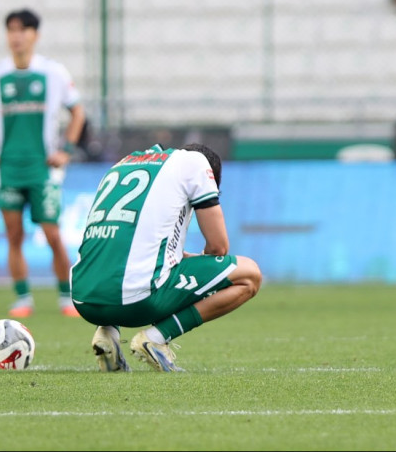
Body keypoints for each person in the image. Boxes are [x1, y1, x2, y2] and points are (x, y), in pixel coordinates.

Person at [71, 143, 263, 372]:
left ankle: (107, 333)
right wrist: (197, 263)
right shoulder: (195, 163)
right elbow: (218, 247)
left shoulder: (122, 163)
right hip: (136, 302)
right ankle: (156, 338)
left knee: (118, 252)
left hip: (83, 299)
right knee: (250, 274)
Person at [0, 8, 87, 319]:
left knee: (52, 234)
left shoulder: (54, 73)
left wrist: (66, 149)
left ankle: (67, 297)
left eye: (23, 30)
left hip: (43, 168)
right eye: (11, 30)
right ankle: (23, 298)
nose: (16, 36)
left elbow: (78, 112)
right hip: (7, 168)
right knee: (13, 235)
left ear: (35, 35)